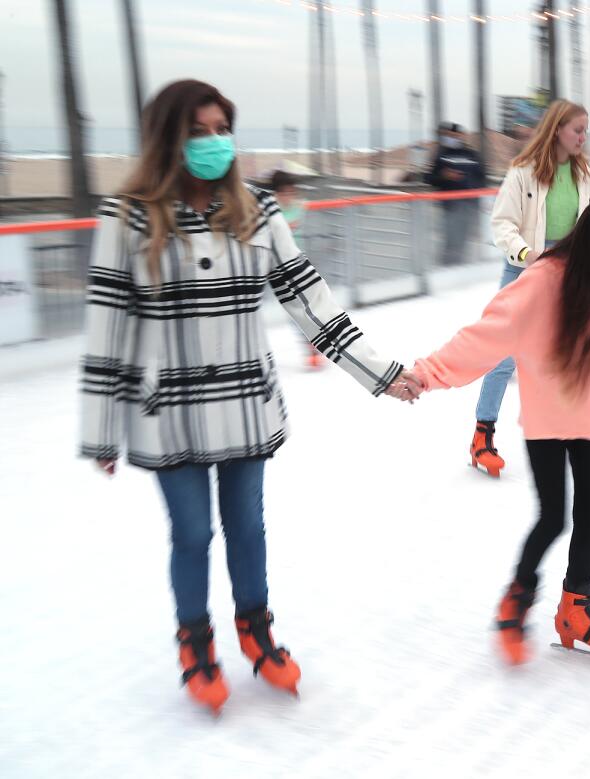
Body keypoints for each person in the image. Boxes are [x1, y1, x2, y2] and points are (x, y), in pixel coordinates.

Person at [79, 80, 414, 713]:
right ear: (167, 139)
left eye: (221, 129)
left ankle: (256, 633)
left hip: (243, 402)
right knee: (192, 532)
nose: (213, 142)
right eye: (198, 131)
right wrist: (100, 430)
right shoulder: (125, 217)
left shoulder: (255, 208)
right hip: (165, 411)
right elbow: (106, 327)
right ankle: (195, 644)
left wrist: (381, 372)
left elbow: (310, 302)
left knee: (246, 526)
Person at [400, 197, 590, 664]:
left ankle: (576, 610)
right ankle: (516, 598)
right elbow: (482, 339)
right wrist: (426, 373)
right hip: (550, 419)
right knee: (554, 517)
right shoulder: (542, 282)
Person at [476, 100, 590, 478]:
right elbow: (502, 223)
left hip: (566, 275)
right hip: (522, 272)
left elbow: (588, 224)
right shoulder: (523, 172)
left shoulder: (583, 173)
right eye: (577, 129)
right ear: (557, 129)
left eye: (585, 131)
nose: (582, 137)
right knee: (504, 354)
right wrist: (526, 253)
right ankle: (483, 434)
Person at [269, 169, 323, 370]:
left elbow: (312, 229)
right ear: (276, 193)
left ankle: (314, 344)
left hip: (300, 265)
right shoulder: (270, 210)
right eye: (284, 193)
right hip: (277, 269)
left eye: (291, 192)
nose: (289, 197)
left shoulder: (301, 207)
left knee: (309, 307)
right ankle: (310, 344)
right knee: (295, 310)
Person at [427, 121, 486, 267]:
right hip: (449, 208)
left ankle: (462, 267)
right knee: (450, 240)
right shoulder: (441, 156)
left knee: (466, 240)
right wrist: (444, 176)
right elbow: (429, 178)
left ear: (461, 136)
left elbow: (482, 178)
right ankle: (446, 268)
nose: (451, 138)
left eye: (454, 135)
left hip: (470, 207)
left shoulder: (472, 155)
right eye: (448, 135)